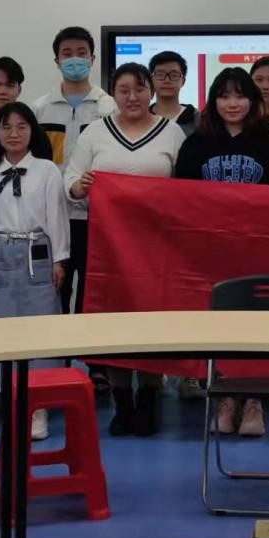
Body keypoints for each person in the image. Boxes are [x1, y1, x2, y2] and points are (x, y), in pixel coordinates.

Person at [64, 63, 186, 436]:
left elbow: (187, 188)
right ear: (113, 93)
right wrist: (80, 187)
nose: (132, 97)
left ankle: (149, 396)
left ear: (151, 92)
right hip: (109, 245)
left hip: (157, 247)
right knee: (114, 320)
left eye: (139, 89)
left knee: (152, 321)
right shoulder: (95, 132)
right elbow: (70, 179)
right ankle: (121, 400)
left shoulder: (172, 132)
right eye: (123, 89)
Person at [173, 66, 269, 430]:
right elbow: (180, 199)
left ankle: (254, 400)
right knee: (219, 323)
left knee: (258, 323)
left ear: (253, 100)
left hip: (259, 250)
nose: (232, 103)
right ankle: (226, 398)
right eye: (224, 96)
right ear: (213, 101)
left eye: (240, 95)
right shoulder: (196, 144)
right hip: (211, 252)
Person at [0, 102, 70, 442]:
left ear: (32, 131)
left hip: (38, 252)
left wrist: (60, 259)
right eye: (6, 127)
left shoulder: (47, 170)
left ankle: (38, 404)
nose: (14, 133)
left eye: (21, 126)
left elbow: (57, 217)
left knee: (40, 327)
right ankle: (7, 396)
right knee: (0, 326)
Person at [32, 26, 116, 320]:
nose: (74, 59)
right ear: (57, 60)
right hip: (52, 217)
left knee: (91, 292)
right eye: (67, 53)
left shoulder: (109, 107)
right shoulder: (40, 109)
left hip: (94, 218)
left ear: (92, 59)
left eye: (81, 53)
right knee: (53, 290)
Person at [148, 50, 198, 132]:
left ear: (183, 81)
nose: (167, 80)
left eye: (174, 75)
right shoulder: (141, 116)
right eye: (160, 75)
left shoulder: (198, 119)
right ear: (151, 80)